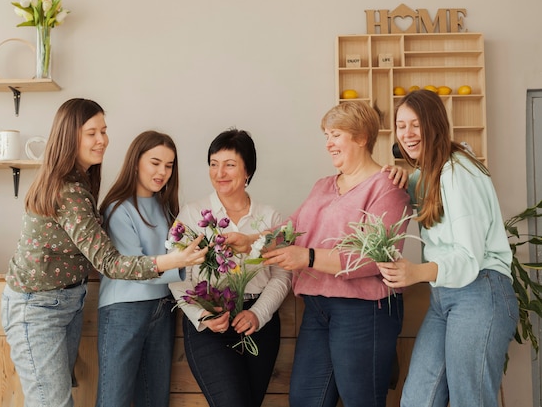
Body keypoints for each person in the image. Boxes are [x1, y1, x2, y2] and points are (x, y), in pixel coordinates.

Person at [1, 99, 205, 407]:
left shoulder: (81, 182)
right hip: (37, 305)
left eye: (104, 131)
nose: (102, 141)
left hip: (67, 302)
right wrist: (173, 262)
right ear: (69, 136)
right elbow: (108, 262)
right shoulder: (68, 190)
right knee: (52, 403)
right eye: (92, 133)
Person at [226, 101, 411, 407]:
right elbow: (291, 230)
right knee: (305, 400)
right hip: (318, 309)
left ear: (362, 137)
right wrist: (251, 242)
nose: (328, 143)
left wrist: (308, 257)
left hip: (364, 311)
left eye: (335, 134)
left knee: (360, 400)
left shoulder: (387, 188)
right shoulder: (323, 186)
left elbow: (373, 257)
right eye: (326, 135)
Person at [377, 89, 517, 407]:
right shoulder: (427, 175)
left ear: (434, 124)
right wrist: (403, 176)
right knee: (417, 400)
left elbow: (468, 257)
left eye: (416, 124)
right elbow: (410, 194)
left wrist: (414, 272)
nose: (407, 133)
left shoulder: (458, 171)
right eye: (401, 125)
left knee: (471, 400)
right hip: (445, 297)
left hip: (481, 291)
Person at [169, 128, 292, 407]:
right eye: (214, 164)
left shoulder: (269, 217)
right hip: (210, 320)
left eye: (229, 165)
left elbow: (282, 274)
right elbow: (176, 275)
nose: (219, 172)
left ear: (247, 170)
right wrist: (201, 315)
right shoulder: (191, 213)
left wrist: (258, 314)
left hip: (258, 323)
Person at [95, 130, 182, 407]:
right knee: (114, 400)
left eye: (168, 166)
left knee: (155, 400)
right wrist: (181, 264)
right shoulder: (117, 208)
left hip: (163, 308)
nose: (162, 172)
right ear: (136, 162)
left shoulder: (166, 207)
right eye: (155, 163)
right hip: (124, 310)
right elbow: (134, 267)